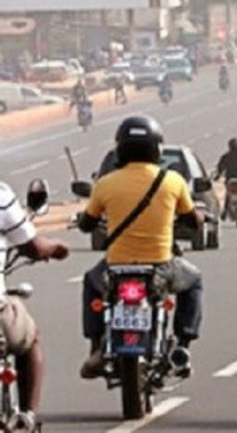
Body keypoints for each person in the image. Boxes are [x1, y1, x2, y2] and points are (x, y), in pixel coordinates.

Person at [78, 116, 205, 379]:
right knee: (193, 282)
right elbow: (193, 220)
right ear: (157, 149)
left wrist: (87, 220)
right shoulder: (173, 181)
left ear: (120, 148)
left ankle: (95, 348)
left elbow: (87, 223)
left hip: (115, 268)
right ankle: (182, 345)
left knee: (91, 282)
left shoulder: (105, 184)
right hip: (162, 266)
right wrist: (199, 218)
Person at [0, 181, 70, 430]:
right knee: (30, 339)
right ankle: (27, 416)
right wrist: (57, 248)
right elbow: (33, 247)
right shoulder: (1, 194)